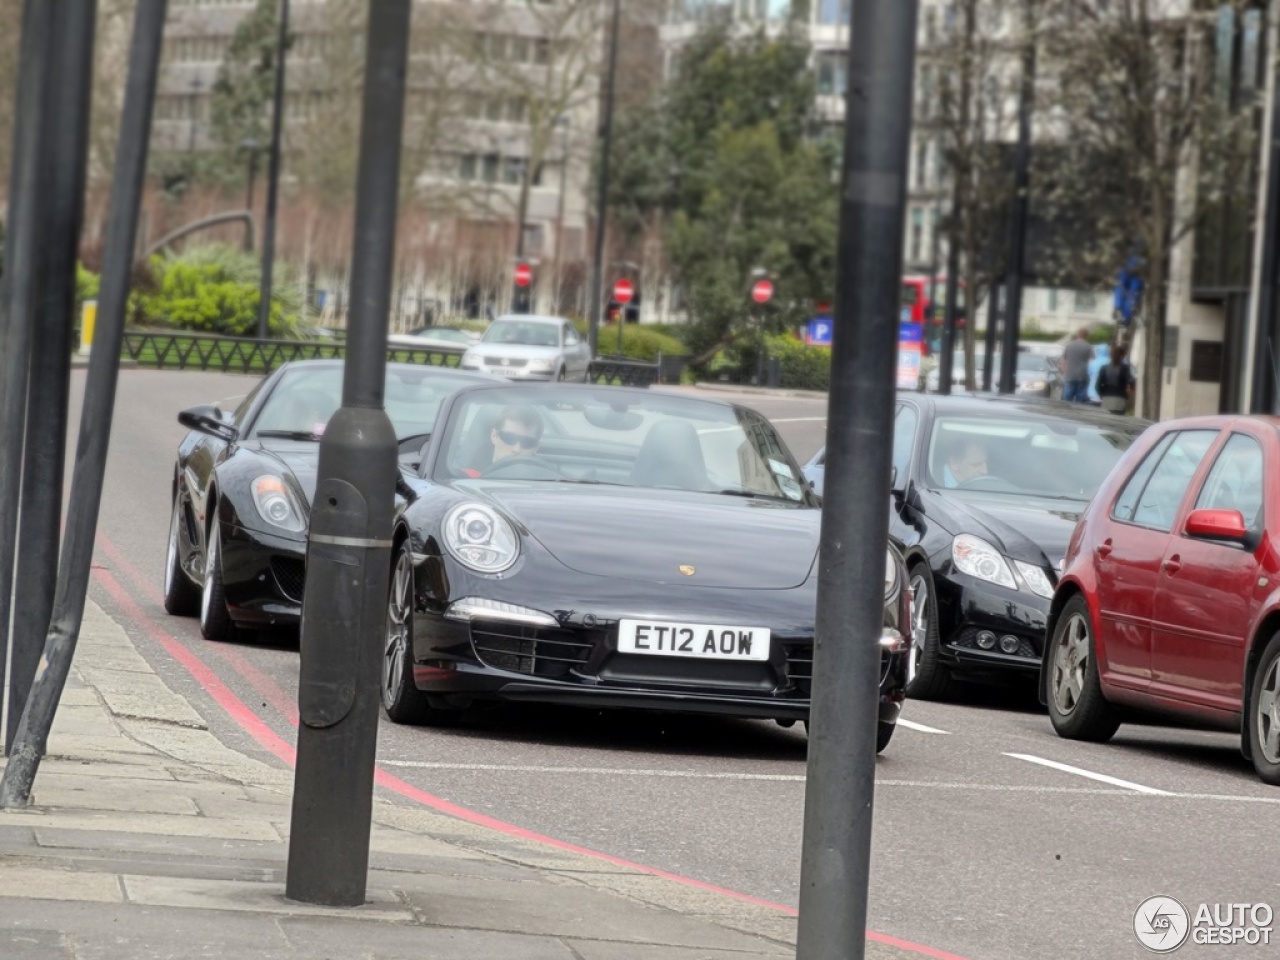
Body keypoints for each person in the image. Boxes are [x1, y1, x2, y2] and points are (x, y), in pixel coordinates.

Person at [1095, 343, 1136, 414]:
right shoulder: (1124, 368)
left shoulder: (1104, 368)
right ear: (1122, 356)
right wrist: (1130, 391)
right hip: (1119, 399)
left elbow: (1097, 386)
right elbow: (1131, 381)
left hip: (1106, 399)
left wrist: (1102, 394)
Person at [1059, 327, 1094, 403]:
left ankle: (1065, 412)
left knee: (1067, 398)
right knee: (1080, 400)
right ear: (1086, 336)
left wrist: (1063, 371)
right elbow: (1091, 362)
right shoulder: (1089, 347)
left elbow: (1064, 361)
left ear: (1077, 335)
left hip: (1069, 375)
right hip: (1083, 376)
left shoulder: (1069, 345)